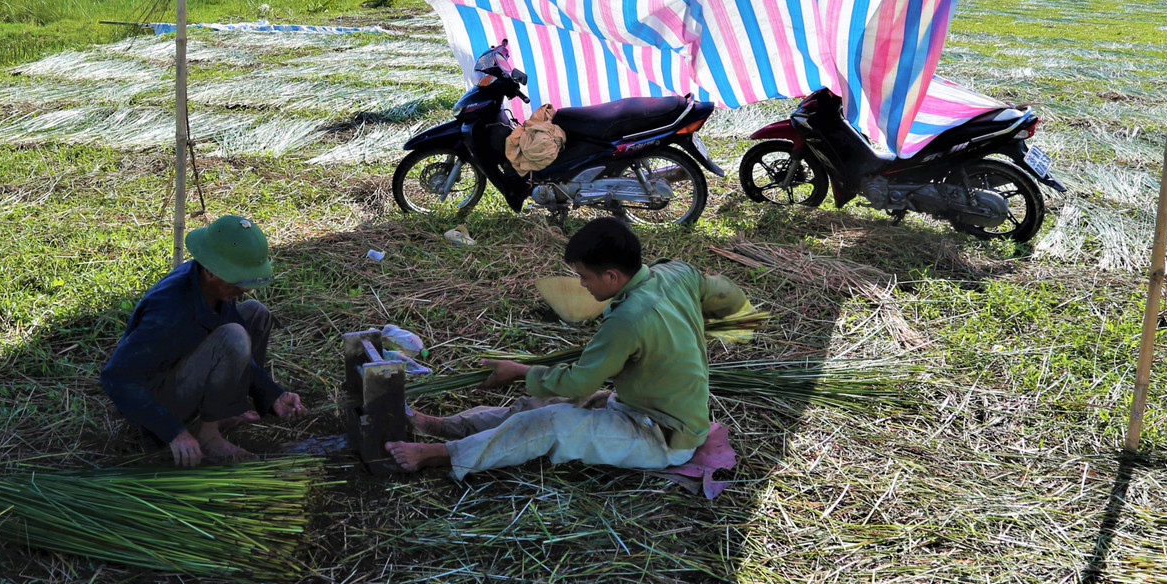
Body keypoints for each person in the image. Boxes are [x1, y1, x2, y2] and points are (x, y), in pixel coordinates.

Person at [385, 217, 749, 480]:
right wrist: (732, 324)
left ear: (611, 276)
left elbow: (578, 383)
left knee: (548, 423)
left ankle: (440, 455)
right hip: (640, 404)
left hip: (663, 435)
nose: (581, 285)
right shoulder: (675, 272)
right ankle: (444, 426)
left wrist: (523, 372)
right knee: (536, 404)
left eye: (585, 277)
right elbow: (726, 294)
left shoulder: (627, 320)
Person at [101, 214, 304, 467]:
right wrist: (174, 432)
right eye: (239, 281)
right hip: (160, 401)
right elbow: (117, 378)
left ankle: (223, 412)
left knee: (255, 313)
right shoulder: (168, 311)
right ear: (211, 271)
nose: (245, 289)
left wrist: (272, 393)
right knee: (234, 336)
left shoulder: (211, 289)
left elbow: (240, 352)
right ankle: (206, 435)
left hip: (185, 373)